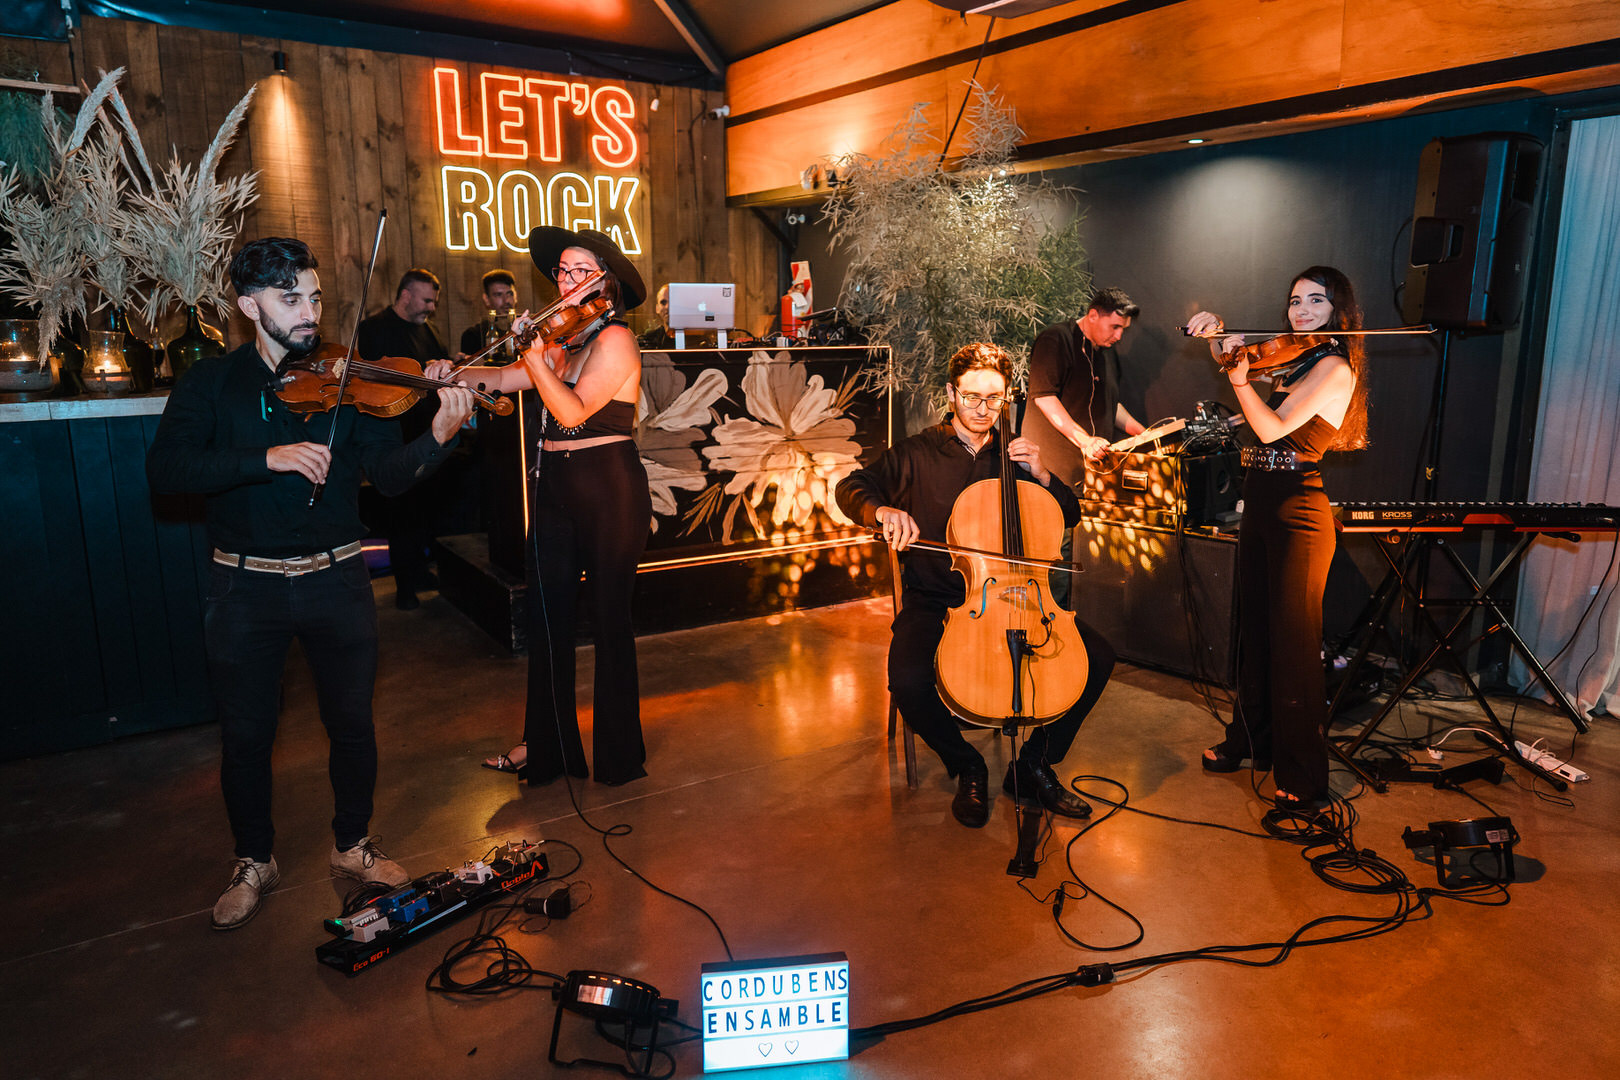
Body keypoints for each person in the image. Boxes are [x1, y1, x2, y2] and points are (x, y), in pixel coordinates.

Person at [146, 238, 476, 930]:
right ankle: (253, 859)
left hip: (337, 579)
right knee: (246, 734)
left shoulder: (347, 382)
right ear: (249, 306)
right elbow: (168, 470)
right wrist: (266, 457)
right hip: (245, 588)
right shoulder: (210, 382)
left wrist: (441, 434)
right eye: (290, 298)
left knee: (352, 723)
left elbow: (389, 478)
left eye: (316, 297)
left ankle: (352, 844)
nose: (310, 312)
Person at [835, 343, 1117, 828]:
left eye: (994, 399)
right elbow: (852, 487)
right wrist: (881, 510)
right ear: (951, 393)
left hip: (1017, 596)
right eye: (972, 397)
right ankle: (967, 764)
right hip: (936, 599)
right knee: (907, 681)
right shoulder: (916, 453)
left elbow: (1068, 515)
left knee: (1099, 657)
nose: (983, 410)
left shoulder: (1017, 455)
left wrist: (1043, 475)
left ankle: (1033, 764)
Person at [456, 227, 652, 786]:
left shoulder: (616, 340)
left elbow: (571, 411)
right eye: (561, 271)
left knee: (610, 620)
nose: (564, 281)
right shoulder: (562, 342)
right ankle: (544, 747)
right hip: (555, 486)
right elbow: (502, 377)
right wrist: (453, 372)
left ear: (605, 282)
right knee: (547, 618)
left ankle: (618, 757)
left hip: (608, 488)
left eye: (578, 270)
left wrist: (535, 356)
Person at [1185, 266, 1368, 810]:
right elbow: (1238, 357)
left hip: (1298, 514)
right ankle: (1252, 740)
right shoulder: (1296, 358)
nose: (1302, 310)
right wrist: (1217, 333)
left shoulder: (1333, 366)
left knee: (1293, 648)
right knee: (1256, 634)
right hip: (1262, 504)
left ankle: (1304, 775)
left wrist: (1240, 379)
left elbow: (1269, 427)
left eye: (1316, 301)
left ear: (1338, 310)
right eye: (1294, 301)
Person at [1020, 287, 1148, 607]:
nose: (1119, 336)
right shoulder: (1056, 340)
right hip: (1052, 476)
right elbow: (1044, 397)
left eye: (1123, 329)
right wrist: (1085, 440)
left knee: (1084, 567)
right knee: (1056, 564)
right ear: (1093, 315)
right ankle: (1046, 626)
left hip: (1089, 480)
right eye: (1114, 327)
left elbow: (1111, 404)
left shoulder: (1106, 353)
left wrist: (1141, 432)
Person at [357, 269, 460, 610]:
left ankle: (419, 572)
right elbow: (375, 378)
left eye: (434, 302)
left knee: (426, 512)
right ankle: (404, 586)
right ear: (405, 295)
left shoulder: (429, 330)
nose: (432, 308)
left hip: (427, 435)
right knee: (402, 514)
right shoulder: (374, 328)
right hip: (394, 437)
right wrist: (419, 371)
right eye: (427, 300)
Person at [460, 268, 519, 361]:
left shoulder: (526, 330)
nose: (506, 300)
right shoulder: (473, 336)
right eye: (498, 295)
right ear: (486, 299)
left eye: (510, 294)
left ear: (516, 296)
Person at [637, 284, 677, 350]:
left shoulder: (693, 336)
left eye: (672, 302)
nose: (667, 307)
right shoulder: (650, 339)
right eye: (663, 302)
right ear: (657, 308)